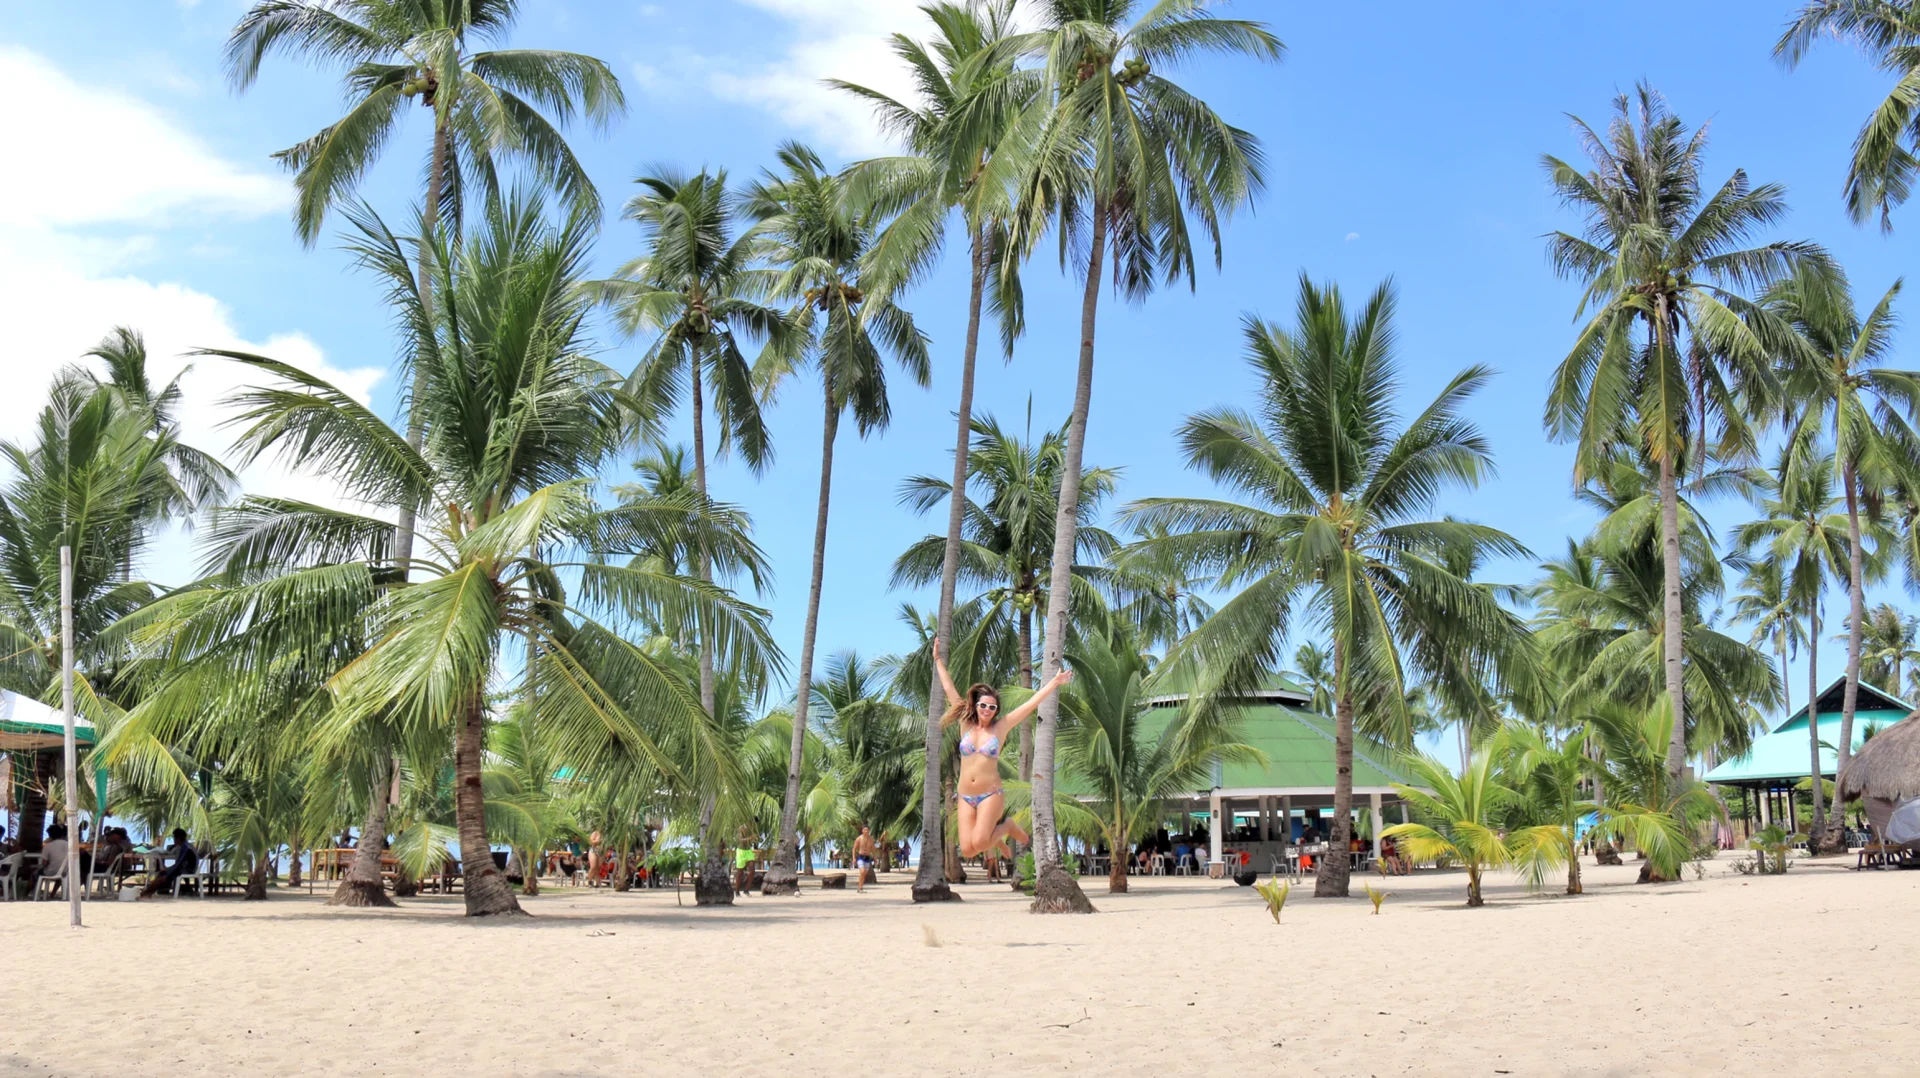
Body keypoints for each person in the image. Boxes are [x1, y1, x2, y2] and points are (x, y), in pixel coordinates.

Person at [934, 640, 1073, 860]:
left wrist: (1054, 683)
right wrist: (938, 660)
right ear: (976, 705)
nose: (987, 710)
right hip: (964, 795)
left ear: (996, 710)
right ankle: (998, 840)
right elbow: (949, 688)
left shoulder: (1001, 727)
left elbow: (1030, 704)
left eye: (992, 707)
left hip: (990, 794)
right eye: (983, 705)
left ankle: (1007, 826)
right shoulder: (964, 723)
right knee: (969, 850)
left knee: (980, 841)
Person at [142, 828, 199, 897]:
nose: (173, 840)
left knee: (163, 875)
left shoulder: (185, 848)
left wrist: (167, 875)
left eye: (174, 838)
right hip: (188, 868)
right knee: (163, 873)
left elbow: (178, 864)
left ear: (177, 839)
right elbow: (179, 864)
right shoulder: (187, 845)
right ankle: (152, 891)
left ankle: (148, 892)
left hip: (188, 870)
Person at [851, 825, 877, 892]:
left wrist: (875, 858)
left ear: (869, 831)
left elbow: (873, 849)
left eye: (867, 830)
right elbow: (854, 849)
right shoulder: (859, 838)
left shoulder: (871, 839)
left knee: (864, 874)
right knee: (862, 871)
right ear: (862, 831)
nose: (866, 831)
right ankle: (860, 888)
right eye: (865, 830)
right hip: (861, 857)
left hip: (867, 858)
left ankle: (860, 887)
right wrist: (854, 858)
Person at [732, 827, 757, 896]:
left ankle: (746, 890)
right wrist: (750, 838)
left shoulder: (752, 829)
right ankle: (737, 891)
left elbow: (754, 839)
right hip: (741, 851)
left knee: (752, 871)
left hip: (748, 851)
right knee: (740, 873)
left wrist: (754, 839)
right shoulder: (741, 828)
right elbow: (740, 840)